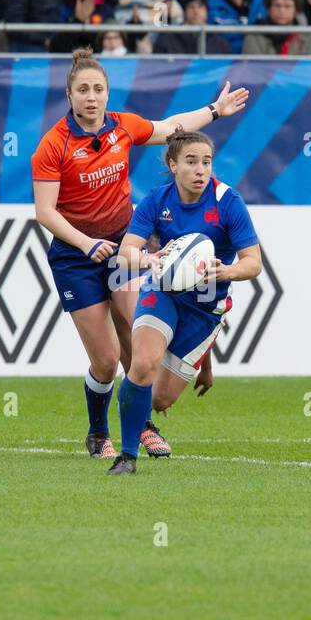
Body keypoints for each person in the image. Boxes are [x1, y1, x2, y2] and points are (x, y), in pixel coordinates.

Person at [31, 48, 247, 460]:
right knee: (107, 360)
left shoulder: (122, 127)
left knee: (138, 333)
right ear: (69, 95)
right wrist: (84, 243)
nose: (91, 97)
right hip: (76, 257)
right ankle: (98, 433)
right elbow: (44, 211)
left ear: (107, 94)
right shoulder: (53, 145)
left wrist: (215, 111)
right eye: (82, 90)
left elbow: (171, 128)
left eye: (98, 89)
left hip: (123, 247)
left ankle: (143, 426)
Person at [107, 128, 262, 475]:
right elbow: (126, 253)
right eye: (191, 162)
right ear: (173, 164)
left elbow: (254, 262)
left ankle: (196, 359)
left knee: (160, 400)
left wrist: (228, 272)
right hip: (162, 291)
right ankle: (127, 456)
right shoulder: (157, 201)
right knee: (143, 364)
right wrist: (149, 260)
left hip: (206, 308)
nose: (200, 170)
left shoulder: (228, 201)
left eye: (206, 162)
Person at [242, 0, 311, 54]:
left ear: (296, 10)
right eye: (277, 6)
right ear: (268, 9)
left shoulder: (306, 38)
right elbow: (252, 67)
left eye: (287, 6)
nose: (282, 11)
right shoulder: (254, 34)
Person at [152, 0, 233, 52]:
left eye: (200, 6)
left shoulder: (219, 42)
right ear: (185, 11)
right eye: (191, 6)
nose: (196, 11)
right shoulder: (169, 39)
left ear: (207, 11)